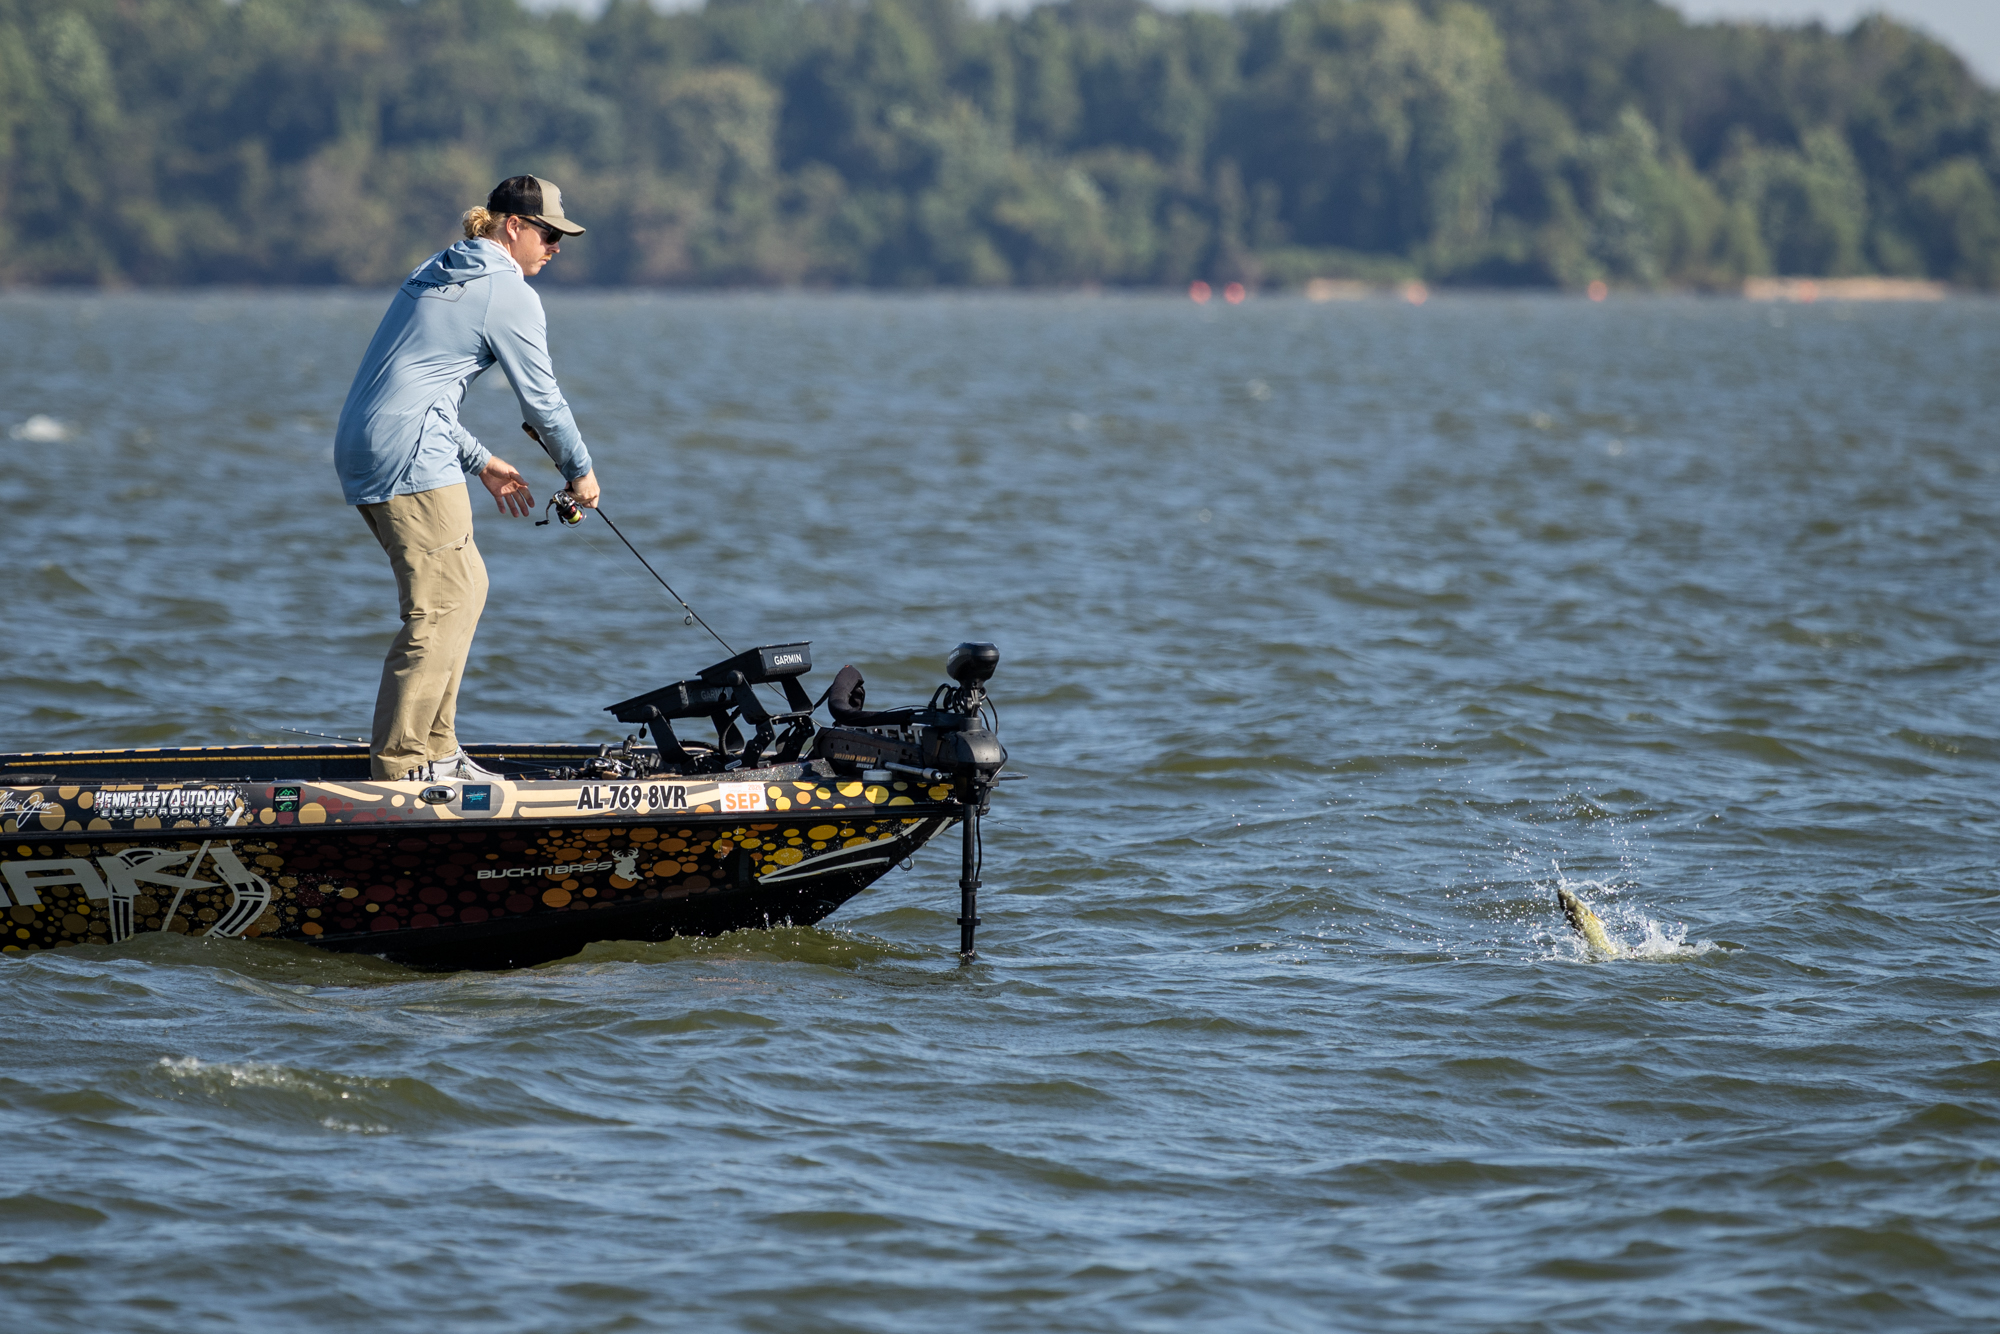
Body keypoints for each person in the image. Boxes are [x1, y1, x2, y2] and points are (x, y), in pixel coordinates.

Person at [333, 175, 601, 781]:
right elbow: (543, 402)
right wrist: (580, 471)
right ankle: (403, 768)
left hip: (365, 441)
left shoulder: (439, 267)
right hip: (410, 453)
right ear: (514, 226)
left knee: (466, 587)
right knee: (440, 605)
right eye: (549, 234)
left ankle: (439, 751)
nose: (556, 248)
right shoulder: (506, 291)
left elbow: (413, 384)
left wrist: (478, 458)